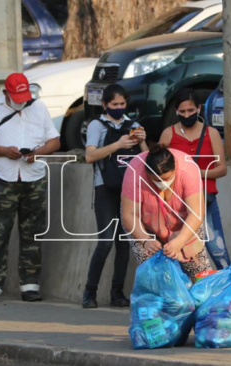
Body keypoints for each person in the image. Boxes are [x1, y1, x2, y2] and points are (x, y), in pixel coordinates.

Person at [0, 73, 60, 303]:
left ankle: (30, 285)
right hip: (4, 178)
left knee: (32, 232)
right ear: (5, 93)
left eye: (24, 96)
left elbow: (55, 141)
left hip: (34, 177)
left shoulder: (39, 107)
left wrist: (37, 153)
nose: (21, 101)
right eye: (16, 97)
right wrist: (5, 151)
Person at [82, 84, 148, 309]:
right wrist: (118, 144)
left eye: (122, 104)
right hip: (105, 190)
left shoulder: (134, 125)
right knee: (106, 241)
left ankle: (117, 293)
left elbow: (146, 159)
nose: (119, 108)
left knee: (123, 243)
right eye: (114, 105)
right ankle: (89, 292)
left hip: (129, 191)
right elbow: (90, 156)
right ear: (104, 105)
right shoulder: (96, 125)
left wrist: (141, 140)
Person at [159, 88, 231, 269]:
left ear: (198, 109)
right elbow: (156, 165)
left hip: (204, 200)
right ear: (176, 111)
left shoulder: (211, 133)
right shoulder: (169, 134)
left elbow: (222, 169)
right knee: (180, 251)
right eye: (182, 112)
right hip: (176, 202)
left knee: (217, 249)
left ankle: (229, 289)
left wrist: (195, 172)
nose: (187, 115)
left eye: (191, 111)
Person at [121, 146, 213, 278]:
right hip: (143, 223)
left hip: (185, 222)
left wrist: (180, 240)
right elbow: (129, 214)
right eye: (157, 180)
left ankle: (202, 297)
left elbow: (196, 213)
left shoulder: (188, 169)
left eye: (167, 178)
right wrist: (145, 240)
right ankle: (159, 297)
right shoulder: (135, 171)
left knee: (200, 271)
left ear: (175, 167)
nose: (163, 184)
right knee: (154, 272)